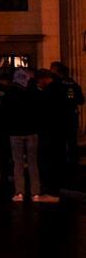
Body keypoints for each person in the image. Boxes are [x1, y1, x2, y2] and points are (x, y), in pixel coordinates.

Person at [4, 68, 43, 202]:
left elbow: (6, 112)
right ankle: (35, 192)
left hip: (15, 131)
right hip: (32, 131)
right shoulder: (33, 91)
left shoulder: (10, 92)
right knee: (33, 162)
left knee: (18, 162)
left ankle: (19, 192)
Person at [51, 61, 84, 189]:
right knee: (72, 142)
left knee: (60, 143)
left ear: (57, 71)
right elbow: (81, 100)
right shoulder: (73, 84)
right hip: (72, 117)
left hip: (60, 118)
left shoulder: (56, 84)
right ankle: (73, 167)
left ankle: (62, 168)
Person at [34, 69, 63, 200]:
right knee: (54, 161)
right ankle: (53, 191)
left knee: (49, 162)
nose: (38, 84)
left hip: (49, 132)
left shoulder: (48, 92)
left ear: (43, 79)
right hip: (58, 131)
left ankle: (52, 193)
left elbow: (43, 112)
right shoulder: (60, 88)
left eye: (39, 82)